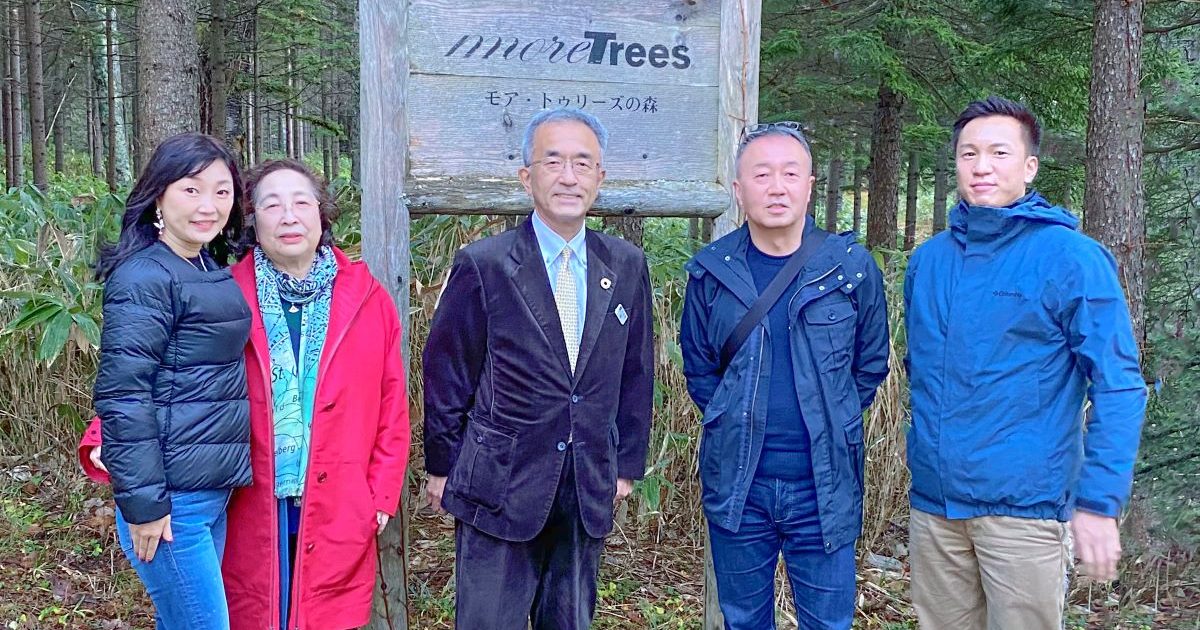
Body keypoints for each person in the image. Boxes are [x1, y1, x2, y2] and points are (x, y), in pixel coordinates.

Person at [84, 159, 411, 629]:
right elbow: (166, 369)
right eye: (271, 204)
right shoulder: (222, 287)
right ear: (252, 221)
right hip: (246, 495)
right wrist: (103, 436)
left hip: (338, 494)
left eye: (302, 202)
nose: (289, 216)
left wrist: (379, 494)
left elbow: (391, 403)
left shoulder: (366, 296)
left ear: (322, 213)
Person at [903, 96, 1147, 630]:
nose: (982, 167)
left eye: (998, 153)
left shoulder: (1071, 258)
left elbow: (1118, 385)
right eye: (968, 154)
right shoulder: (929, 261)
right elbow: (917, 374)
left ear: (1029, 166)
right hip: (935, 511)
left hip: (1022, 513)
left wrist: (1099, 502)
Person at [422, 107, 654, 630]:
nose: (568, 176)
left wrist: (625, 467)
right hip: (499, 484)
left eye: (582, 163)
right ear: (527, 176)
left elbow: (637, 371)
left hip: (586, 483)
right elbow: (446, 373)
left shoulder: (624, 264)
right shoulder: (485, 263)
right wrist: (443, 467)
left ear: (600, 177)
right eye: (553, 162)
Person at [679, 122, 890, 629]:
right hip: (739, 486)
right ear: (738, 189)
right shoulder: (711, 272)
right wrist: (736, 421)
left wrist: (831, 419)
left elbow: (870, 364)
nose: (777, 186)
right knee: (744, 620)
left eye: (790, 173)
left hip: (824, 486)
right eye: (762, 174)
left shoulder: (849, 268)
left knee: (828, 622)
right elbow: (700, 370)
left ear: (810, 183)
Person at [92, 132, 251, 629]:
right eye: (192, 189)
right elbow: (123, 395)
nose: (209, 205)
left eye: (222, 191)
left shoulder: (202, 263)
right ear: (159, 194)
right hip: (170, 501)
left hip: (208, 491)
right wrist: (144, 505)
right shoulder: (145, 276)